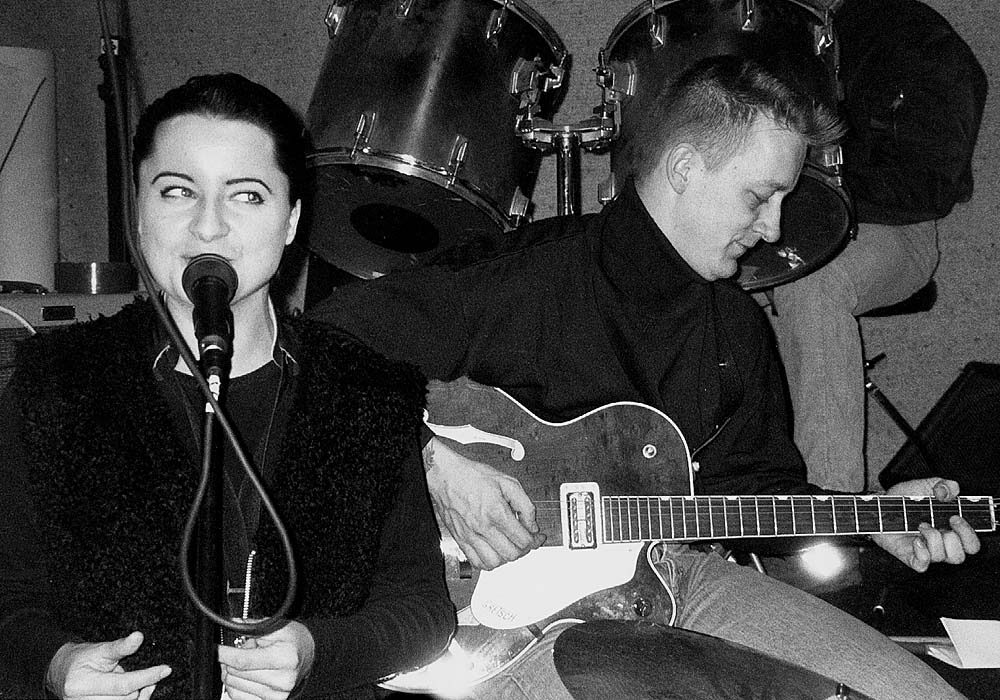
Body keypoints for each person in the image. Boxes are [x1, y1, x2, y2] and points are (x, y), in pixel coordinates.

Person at [308, 56, 981, 700]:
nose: (774, 228)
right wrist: (437, 467)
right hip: (491, 621)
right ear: (684, 168)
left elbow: (752, 493)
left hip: (672, 578)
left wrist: (872, 516)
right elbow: (319, 348)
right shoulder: (524, 279)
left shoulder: (737, 327)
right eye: (760, 196)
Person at [0, 73, 454, 700]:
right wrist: (56, 665)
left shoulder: (366, 390)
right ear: (138, 209)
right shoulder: (56, 384)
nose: (208, 227)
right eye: (177, 191)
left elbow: (424, 611)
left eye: (245, 196)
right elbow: (8, 595)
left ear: (291, 220)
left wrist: (316, 651)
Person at [757, 0, 988, 492]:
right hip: (767, 225)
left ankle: (830, 510)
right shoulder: (767, 37)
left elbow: (931, 185)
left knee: (811, 284)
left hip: (893, 230)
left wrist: (819, 197)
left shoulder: (916, 37)